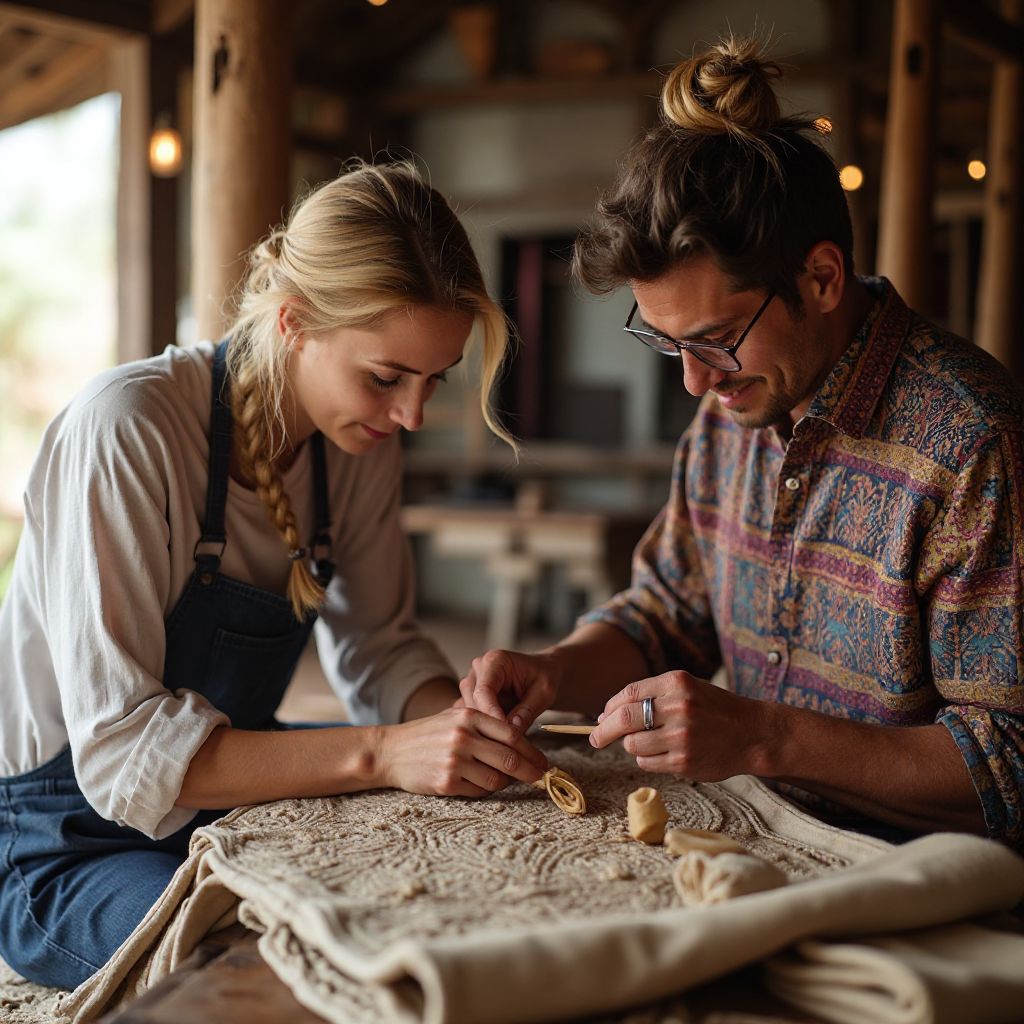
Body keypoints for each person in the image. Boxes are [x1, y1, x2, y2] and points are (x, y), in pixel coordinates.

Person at [460, 37, 1024, 852]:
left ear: (822, 278)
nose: (695, 382)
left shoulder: (972, 442)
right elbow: (666, 613)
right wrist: (556, 670)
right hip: (761, 840)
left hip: (917, 879)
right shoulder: (734, 412)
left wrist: (761, 736)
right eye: (668, 344)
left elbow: (1008, 766)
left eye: (716, 338)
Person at [0, 160, 547, 989]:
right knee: (275, 963)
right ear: (294, 321)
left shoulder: (357, 442)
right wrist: (384, 754)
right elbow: (121, 755)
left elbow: (380, 647)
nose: (411, 415)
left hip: (226, 799)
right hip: (67, 836)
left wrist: (462, 730)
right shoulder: (130, 428)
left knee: (431, 896)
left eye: (433, 380)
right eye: (385, 377)